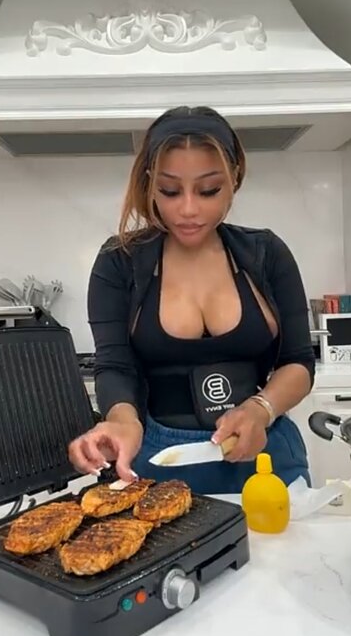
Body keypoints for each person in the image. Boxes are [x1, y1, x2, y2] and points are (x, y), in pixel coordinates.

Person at [68, 105, 315, 495]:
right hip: (159, 461)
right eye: (169, 190)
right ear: (149, 183)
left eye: (208, 190)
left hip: (264, 454)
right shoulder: (120, 261)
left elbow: (298, 362)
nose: (187, 209)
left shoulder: (266, 253)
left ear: (234, 177)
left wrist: (260, 409)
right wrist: (123, 423)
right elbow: (115, 366)